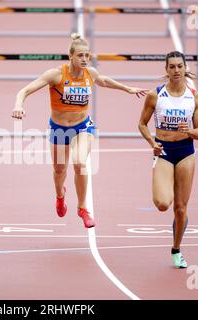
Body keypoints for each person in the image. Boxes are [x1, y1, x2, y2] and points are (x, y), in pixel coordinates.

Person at [12, 33, 147, 228]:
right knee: (59, 170)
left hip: (83, 127)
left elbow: (104, 81)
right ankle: (60, 195)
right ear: (71, 57)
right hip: (59, 128)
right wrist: (18, 105)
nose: (84, 59)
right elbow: (24, 90)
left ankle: (83, 208)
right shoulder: (56, 74)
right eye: (80, 56)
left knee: (80, 162)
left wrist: (127, 89)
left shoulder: (90, 73)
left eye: (87, 55)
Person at [138, 51, 198, 268]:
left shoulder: (195, 97)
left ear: (185, 68)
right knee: (163, 204)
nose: (176, 70)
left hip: (186, 151)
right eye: (172, 67)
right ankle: (167, 191)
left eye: (179, 66)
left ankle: (176, 250)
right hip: (164, 151)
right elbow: (141, 124)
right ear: (166, 70)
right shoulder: (155, 95)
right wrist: (152, 143)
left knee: (181, 208)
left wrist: (191, 131)